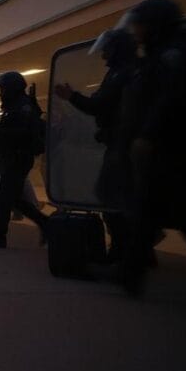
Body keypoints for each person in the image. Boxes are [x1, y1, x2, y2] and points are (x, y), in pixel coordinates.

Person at [115, 0, 186, 299]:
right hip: (168, 149)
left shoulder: (174, 55)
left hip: (177, 150)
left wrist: (148, 135)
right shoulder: (161, 54)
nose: (135, 31)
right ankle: (129, 275)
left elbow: (171, 99)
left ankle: (130, 275)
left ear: (154, 25)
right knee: (148, 213)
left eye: (139, 25)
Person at [54, 29, 138, 263]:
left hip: (123, 145)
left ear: (117, 49)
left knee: (109, 197)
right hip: (122, 143)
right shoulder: (123, 71)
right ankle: (135, 251)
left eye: (107, 50)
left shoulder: (123, 73)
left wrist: (72, 97)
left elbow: (100, 105)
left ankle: (124, 252)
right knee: (120, 198)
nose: (103, 55)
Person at [0, 71, 48, 248]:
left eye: (3, 88)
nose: (1, 93)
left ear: (12, 88)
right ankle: (45, 224)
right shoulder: (15, 105)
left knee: (5, 198)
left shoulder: (23, 107)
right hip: (12, 156)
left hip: (18, 156)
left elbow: (23, 133)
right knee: (11, 198)